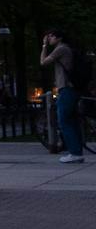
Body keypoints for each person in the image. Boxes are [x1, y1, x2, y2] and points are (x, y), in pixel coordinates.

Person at [41, 30, 83, 163]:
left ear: (59, 38)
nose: (49, 38)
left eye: (52, 36)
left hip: (66, 88)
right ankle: (77, 151)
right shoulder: (66, 49)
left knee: (64, 120)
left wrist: (44, 46)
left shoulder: (61, 49)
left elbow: (43, 62)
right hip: (71, 88)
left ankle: (75, 152)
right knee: (72, 120)